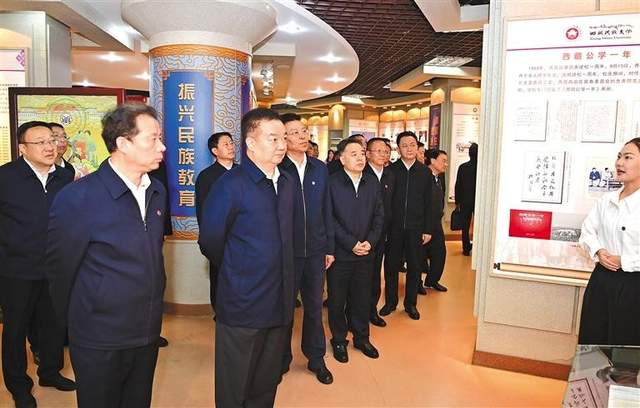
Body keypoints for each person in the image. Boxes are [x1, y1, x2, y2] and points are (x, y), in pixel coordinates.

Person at [47, 104, 167, 408]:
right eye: (153, 139)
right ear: (123, 143)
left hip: (146, 330)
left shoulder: (156, 191)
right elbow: (60, 271)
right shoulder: (78, 198)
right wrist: (77, 324)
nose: (162, 147)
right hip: (98, 336)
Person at [198, 108, 295, 407]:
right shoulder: (230, 185)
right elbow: (210, 241)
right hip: (243, 303)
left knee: (266, 381)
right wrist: (239, 271)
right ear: (251, 143)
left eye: (284, 138)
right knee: (235, 385)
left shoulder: (287, 182)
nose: (281, 145)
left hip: (279, 300)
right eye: (273, 138)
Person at [0, 121, 75, 408]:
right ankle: (19, 386)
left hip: (55, 268)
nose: (49, 147)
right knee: (16, 330)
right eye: (40, 142)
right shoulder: (6, 177)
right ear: (22, 148)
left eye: (52, 141)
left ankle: (50, 372)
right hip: (15, 269)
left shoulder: (65, 176)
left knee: (53, 324)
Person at [278, 113, 334, 385]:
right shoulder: (277, 168)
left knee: (313, 307)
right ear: (283, 137)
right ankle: (280, 359)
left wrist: (329, 247)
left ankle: (316, 357)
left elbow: (327, 210)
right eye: (295, 132)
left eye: (304, 131)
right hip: (286, 253)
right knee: (284, 309)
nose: (303, 136)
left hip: (315, 251)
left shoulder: (319, 168)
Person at [578, 137, 640, 346]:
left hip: (634, 285)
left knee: (625, 346)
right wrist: (598, 251)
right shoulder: (607, 200)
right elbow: (587, 231)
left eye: (628, 157)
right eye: (619, 157)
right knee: (593, 340)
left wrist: (625, 261)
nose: (619, 163)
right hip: (602, 279)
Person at [327, 139, 384, 362]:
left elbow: (379, 215)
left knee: (362, 298)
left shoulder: (371, 182)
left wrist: (370, 241)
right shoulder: (332, 183)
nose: (360, 158)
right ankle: (339, 340)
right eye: (353, 154)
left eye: (361, 153)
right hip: (341, 254)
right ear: (342, 159)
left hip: (366, 253)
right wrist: (351, 243)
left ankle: (362, 337)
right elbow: (328, 218)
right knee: (337, 300)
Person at [381, 131, 433, 321]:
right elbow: (383, 202)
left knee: (414, 266)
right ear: (398, 148)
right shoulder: (390, 171)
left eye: (412, 145)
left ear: (417, 147)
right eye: (404, 145)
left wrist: (428, 229)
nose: (409, 149)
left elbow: (430, 203)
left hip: (416, 228)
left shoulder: (425, 172)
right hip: (393, 228)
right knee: (391, 266)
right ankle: (390, 302)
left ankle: (411, 304)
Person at [195, 131, 237, 312]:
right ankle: (219, 312)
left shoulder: (243, 172)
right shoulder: (206, 176)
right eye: (226, 144)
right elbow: (203, 211)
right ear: (215, 151)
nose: (231, 146)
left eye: (232, 143)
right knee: (219, 277)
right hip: (218, 240)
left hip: (242, 237)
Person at [364, 138, 395, 327]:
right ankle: (354, 311)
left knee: (376, 273)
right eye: (378, 151)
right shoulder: (361, 173)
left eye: (385, 151)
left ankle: (371, 310)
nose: (383, 154)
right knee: (361, 275)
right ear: (367, 154)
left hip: (382, 235)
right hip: (363, 236)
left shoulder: (390, 175)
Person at [424, 149, 449, 292]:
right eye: (443, 161)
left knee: (440, 252)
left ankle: (432, 280)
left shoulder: (439, 178)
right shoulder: (423, 178)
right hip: (423, 224)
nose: (446, 164)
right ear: (433, 161)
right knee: (419, 256)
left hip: (435, 223)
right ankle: (416, 284)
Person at [455, 143, 478, 256]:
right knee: (478, 225)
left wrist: (457, 201)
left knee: (465, 226)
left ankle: (465, 248)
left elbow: (458, 185)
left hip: (465, 201)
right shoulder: (481, 168)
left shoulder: (463, 167)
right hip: (478, 201)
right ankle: (478, 247)